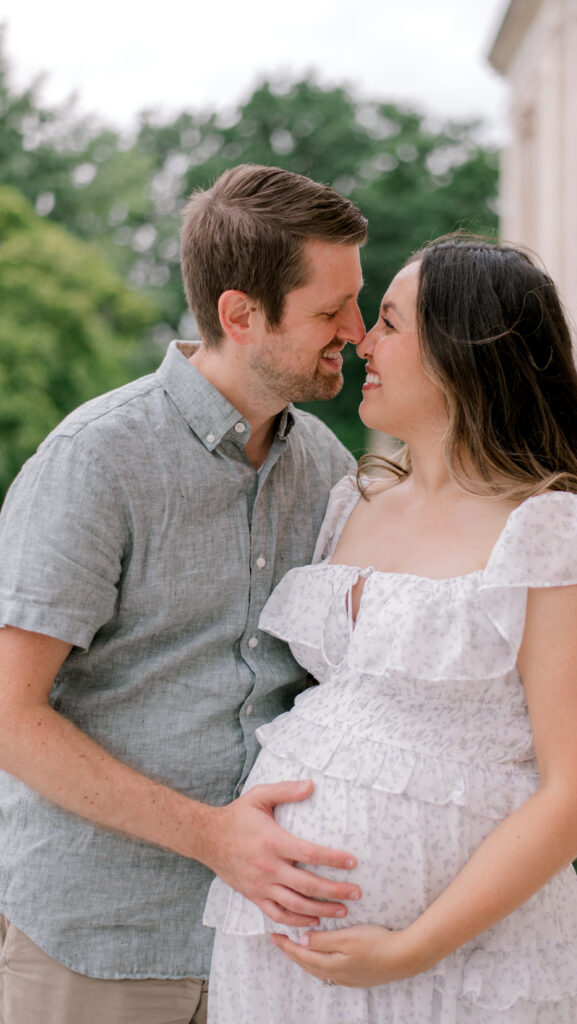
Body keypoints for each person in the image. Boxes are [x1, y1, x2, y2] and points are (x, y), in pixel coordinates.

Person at [204, 234, 577, 1023]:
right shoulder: (355, 500)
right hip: (278, 955)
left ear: (462, 350)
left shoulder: (554, 533)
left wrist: (411, 947)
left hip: (464, 967)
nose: (361, 342)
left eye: (387, 322)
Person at [0, 164, 369, 1024]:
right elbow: (9, 716)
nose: (355, 331)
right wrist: (212, 837)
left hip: (265, 950)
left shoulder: (328, 469)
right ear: (241, 315)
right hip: (94, 942)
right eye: (328, 311)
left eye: (357, 302)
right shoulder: (96, 459)